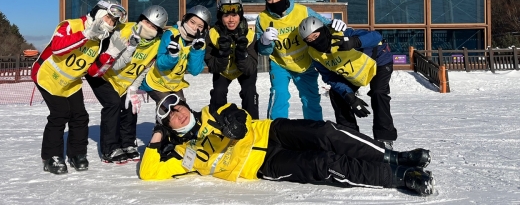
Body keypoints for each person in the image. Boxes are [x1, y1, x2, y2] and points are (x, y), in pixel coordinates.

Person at [139, 94, 435, 196]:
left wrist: (237, 122)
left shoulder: (209, 113)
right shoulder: (181, 155)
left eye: (179, 108)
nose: (179, 114)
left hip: (271, 133)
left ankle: (392, 157)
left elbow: (237, 113)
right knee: (325, 164)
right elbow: (150, 173)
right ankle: (399, 177)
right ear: (168, 128)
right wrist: (156, 137)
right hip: (263, 165)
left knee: (328, 134)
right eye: (171, 117)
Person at [31, 0, 128, 175]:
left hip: (71, 82)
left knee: (80, 117)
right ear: (99, 12)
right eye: (108, 18)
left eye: (113, 22)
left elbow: (93, 72)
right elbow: (57, 48)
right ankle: (51, 157)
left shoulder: (100, 41)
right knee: (60, 114)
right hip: (48, 76)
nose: (110, 23)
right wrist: (86, 34)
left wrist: (111, 54)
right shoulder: (71, 25)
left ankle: (77, 154)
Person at [85, 5, 168, 164]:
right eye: (146, 22)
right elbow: (113, 65)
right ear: (141, 19)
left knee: (131, 107)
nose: (148, 27)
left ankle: (127, 143)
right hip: (103, 76)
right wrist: (131, 48)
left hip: (124, 83)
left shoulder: (157, 45)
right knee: (113, 104)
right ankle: (110, 148)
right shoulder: (123, 31)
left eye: (153, 26)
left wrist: (133, 88)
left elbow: (144, 69)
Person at [255, 0, 347, 120]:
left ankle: (314, 131)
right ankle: (275, 131)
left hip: (305, 64)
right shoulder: (262, 18)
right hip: (280, 64)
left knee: (310, 99)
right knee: (279, 96)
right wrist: (264, 41)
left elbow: (322, 24)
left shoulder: (302, 11)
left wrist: (334, 25)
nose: (274, 2)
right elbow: (263, 51)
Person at [299, 16, 398, 148]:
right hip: (354, 72)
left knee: (378, 93)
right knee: (337, 95)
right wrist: (350, 97)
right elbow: (330, 77)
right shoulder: (314, 54)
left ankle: (384, 138)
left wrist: (355, 41)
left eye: (316, 36)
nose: (315, 42)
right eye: (309, 40)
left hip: (378, 60)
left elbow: (376, 37)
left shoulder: (342, 34)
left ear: (323, 30)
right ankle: (350, 137)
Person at [141, 5, 211, 104]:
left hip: (174, 84)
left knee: (183, 110)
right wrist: (172, 55)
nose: (194, 28)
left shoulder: (199, 44)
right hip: (156, 82)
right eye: (192, 22)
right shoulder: (171, 34)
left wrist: (196, 51)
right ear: (185, 19)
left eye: (200, 26)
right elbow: (160, 65)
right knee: (170, 109)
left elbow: (194, 71)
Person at [205, 0, 259, 118]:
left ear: (240, 16)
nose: (231, 20)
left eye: (234, 15)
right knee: (218, 92)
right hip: (223, 71)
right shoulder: (212, 35)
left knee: (250, 91)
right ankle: (219, 123)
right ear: (220, 17)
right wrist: (222, 54)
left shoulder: (250, 35)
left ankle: (253, 124)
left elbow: (251, 68)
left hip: (243, 71)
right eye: (226, 15)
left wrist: (242, 54)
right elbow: (213, 67)